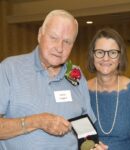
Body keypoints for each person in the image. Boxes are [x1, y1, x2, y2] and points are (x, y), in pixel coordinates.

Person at [0, 9, 96, 150]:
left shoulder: (76, 73)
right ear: (40, 35)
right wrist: (38, 121)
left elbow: (84, 126)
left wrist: (92, 146)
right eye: (54, 37)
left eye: (67, 42)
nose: (59, 47)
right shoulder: (9, 69)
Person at [87, 27, 130, 150]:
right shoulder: (81, 90)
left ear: (120, 57)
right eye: (100, 52)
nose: (106, 58)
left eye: (113, 52)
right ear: (92, 56)